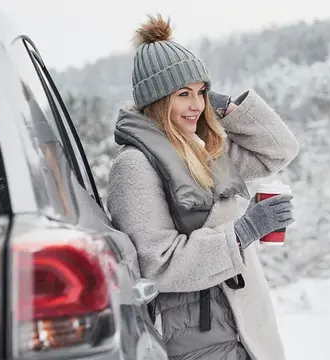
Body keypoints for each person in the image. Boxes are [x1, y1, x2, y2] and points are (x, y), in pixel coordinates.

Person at [107, 14, 299, 360]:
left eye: (201, 93)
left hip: (235, 326)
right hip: (196, 340)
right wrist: (245, 231)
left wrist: (227, 107)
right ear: (157, 100)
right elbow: (158, 264)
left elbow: (279, 151)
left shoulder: (204, 151)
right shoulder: (134, 166)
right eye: (183, 94)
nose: (197, 105)